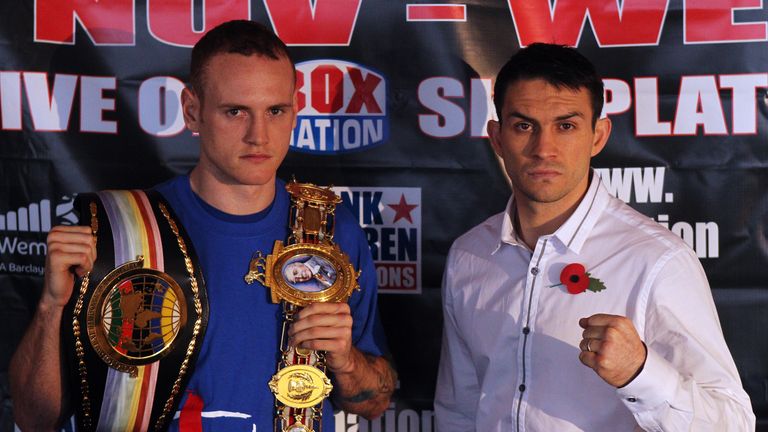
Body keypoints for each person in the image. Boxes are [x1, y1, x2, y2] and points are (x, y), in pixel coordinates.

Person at [9, 20, 396, 431]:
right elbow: (35, 419)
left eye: (276, 111)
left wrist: (346, 360)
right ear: (192, 111)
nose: (258, 135)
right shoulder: (119, 233)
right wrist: (52, 308)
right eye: (235, 112)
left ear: (295, 109)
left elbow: (373, 404)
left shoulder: (330, 232)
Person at [434, 43, 755, 431]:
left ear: (598, 135)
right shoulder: (469, 255)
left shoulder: (655, 260)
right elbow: (460, 409)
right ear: (498, 138)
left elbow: (733, 424)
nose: (543, 149)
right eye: (524, 125)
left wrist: (639, 372)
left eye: (565, 126)